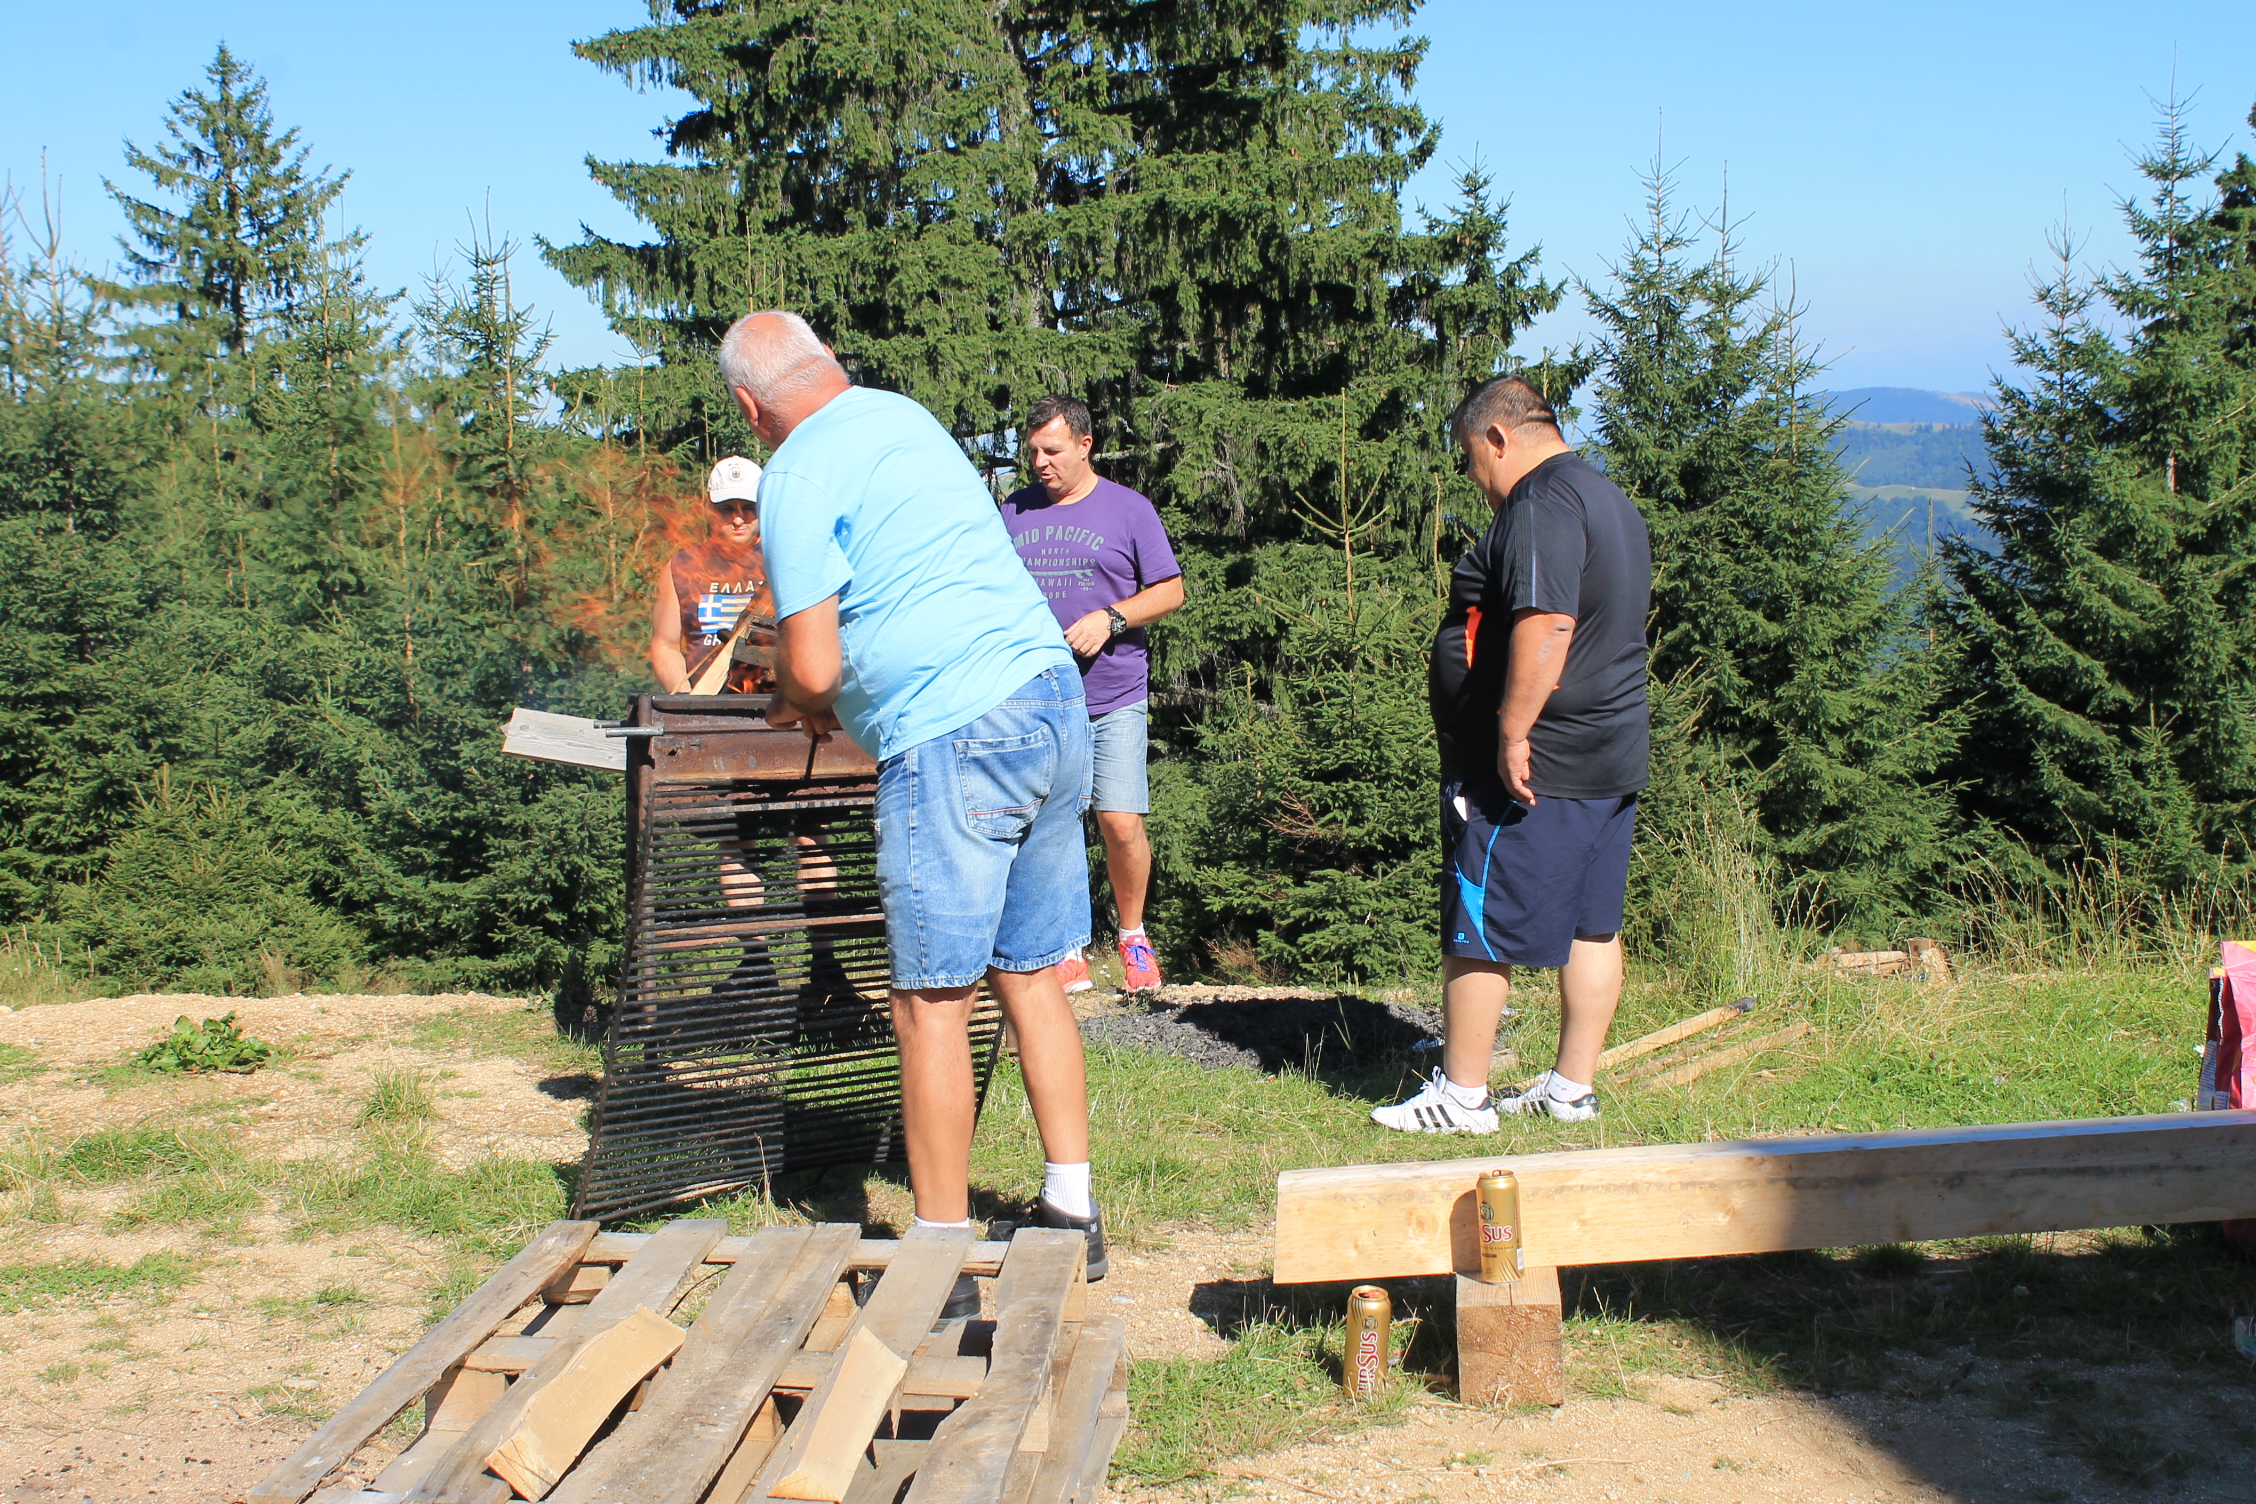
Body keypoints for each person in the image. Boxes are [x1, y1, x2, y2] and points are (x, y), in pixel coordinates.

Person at [721, 310, 1108, 1278]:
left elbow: (811, 662)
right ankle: (1071, 1210)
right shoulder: (901, 416)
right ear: (829, 363)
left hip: (957, 733)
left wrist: (792, 703)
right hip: (1052, 701)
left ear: (747, 407)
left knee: (931, 1003)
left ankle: (938, 1259)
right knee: (1032, 969)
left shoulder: (796, 472)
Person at [1373, 375, 1651, 1134]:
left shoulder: (1543, 504)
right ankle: (1570, 1088)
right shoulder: (1607, 498)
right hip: (1608, 750)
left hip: (1540, 760)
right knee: (1594, 927)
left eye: (1470, 460)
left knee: (1477, 918)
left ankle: (1462, 1097)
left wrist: (1512, 731)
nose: (1475, 480)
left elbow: (1548, 623)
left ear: (1497, 437)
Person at [1000, 395, 1184, 994]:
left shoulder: (1129, 510)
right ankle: (1066, 948)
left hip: (1112, 693)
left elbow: (1170, 590)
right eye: (1032, 451)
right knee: (1049, 825)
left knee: (1119, 821)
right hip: (1035, 698)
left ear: (1085, 445)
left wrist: (1111, 618)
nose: (1040, 463)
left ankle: (1133, 937)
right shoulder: (1014, 511)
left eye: (1052, 450)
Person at [648, 455, 774, 695]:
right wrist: (686, 700)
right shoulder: (681, 566)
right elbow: (666, 644)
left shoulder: (783, 562)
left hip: (772, 704)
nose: (738, 519)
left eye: (749, 507)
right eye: (726, 509)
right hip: (704, 700)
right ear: (710, 508)